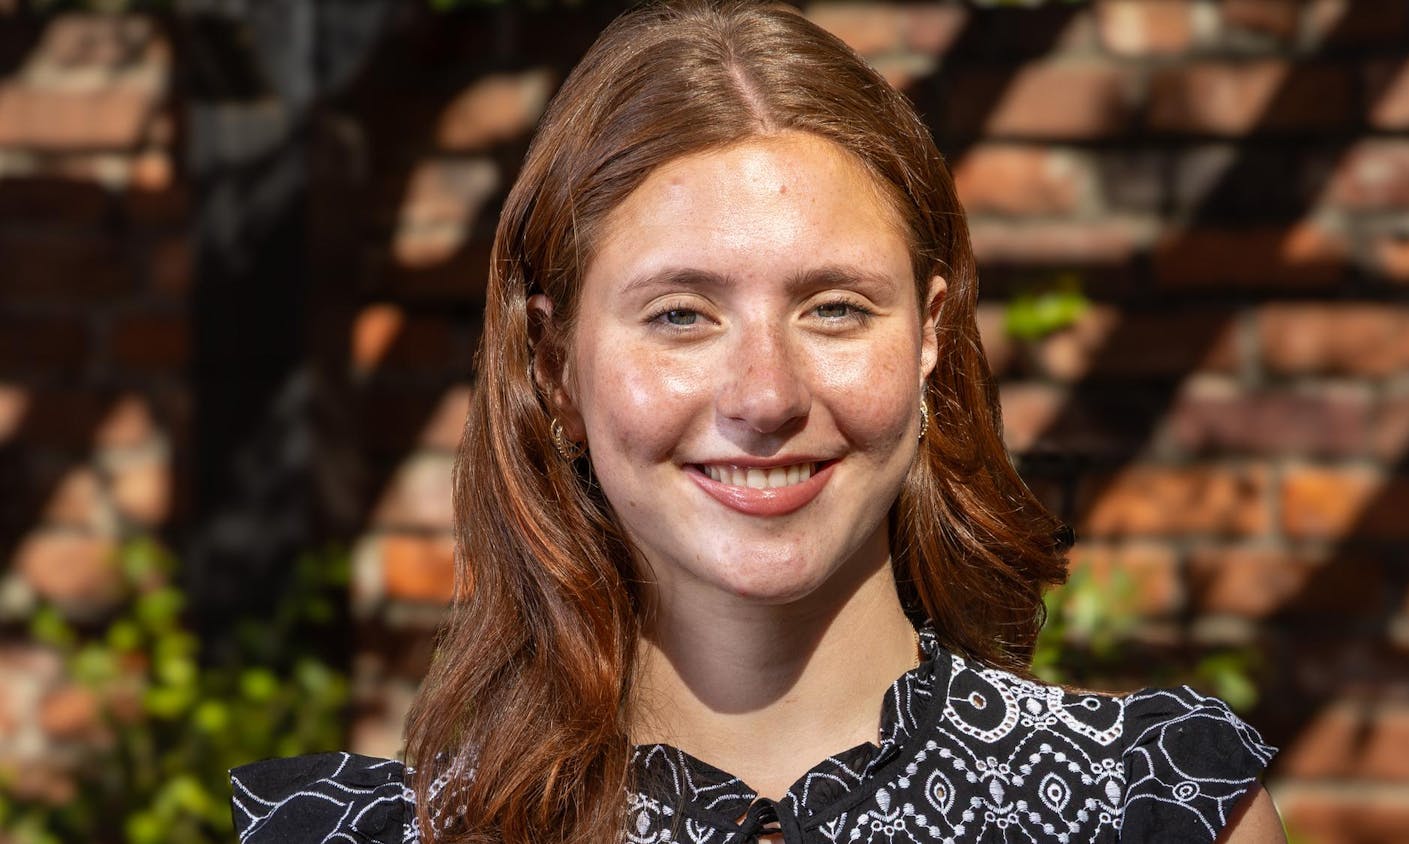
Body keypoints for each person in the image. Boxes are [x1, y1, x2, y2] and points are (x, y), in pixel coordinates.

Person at [228, 2, 1283, 842]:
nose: (765, 394)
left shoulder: (1153, 807)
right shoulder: (362, 833)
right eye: (681, 315)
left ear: (928, 336)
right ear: (553, 365)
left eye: (833, 308)